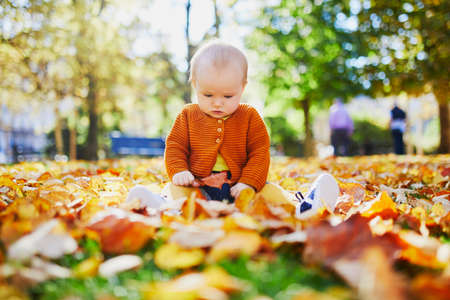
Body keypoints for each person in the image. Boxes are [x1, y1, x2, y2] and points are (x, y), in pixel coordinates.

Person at [126, 41, 339, 220]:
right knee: (177, 192)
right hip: (197, 184)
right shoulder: (187, 116)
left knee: (270, 193)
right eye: (208, 95)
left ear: (242, 87)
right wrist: (179, 171)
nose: (217, 103)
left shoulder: (250, 117)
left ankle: (303, 208)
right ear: (195, 85)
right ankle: (159, 207)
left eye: (228, 96)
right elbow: (175, 146)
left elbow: (259, 151)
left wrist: (248, 182)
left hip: (241, 187)